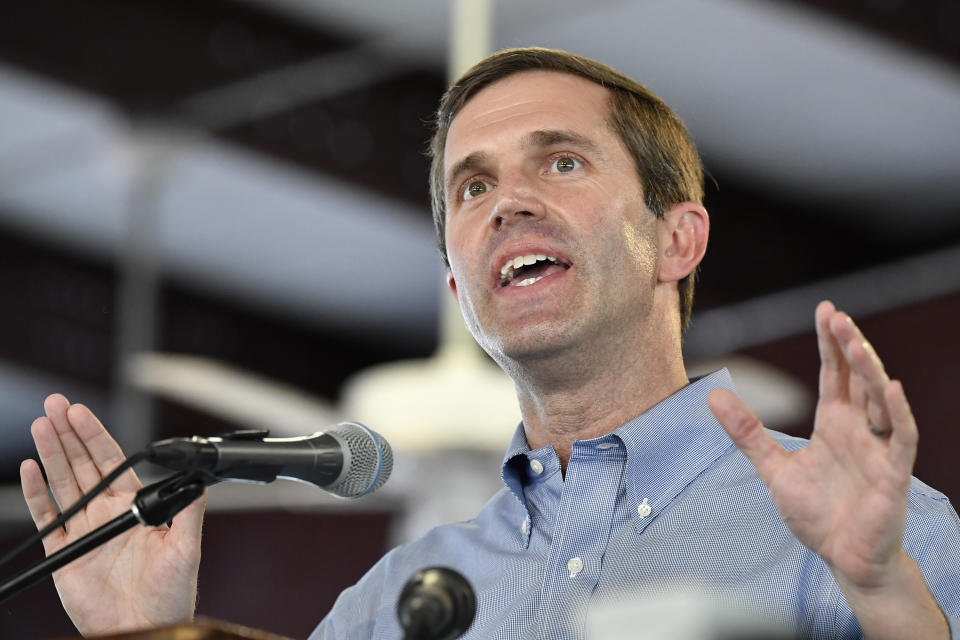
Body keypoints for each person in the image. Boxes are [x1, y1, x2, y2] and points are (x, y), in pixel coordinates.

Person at [19, 48, 960, 639]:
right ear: (456, 283)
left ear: (679, 237)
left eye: (561, 161)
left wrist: (880, 591)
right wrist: (147, 635)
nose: (508, 202)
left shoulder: (870, 535)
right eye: (471, 188)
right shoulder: (385, 605)